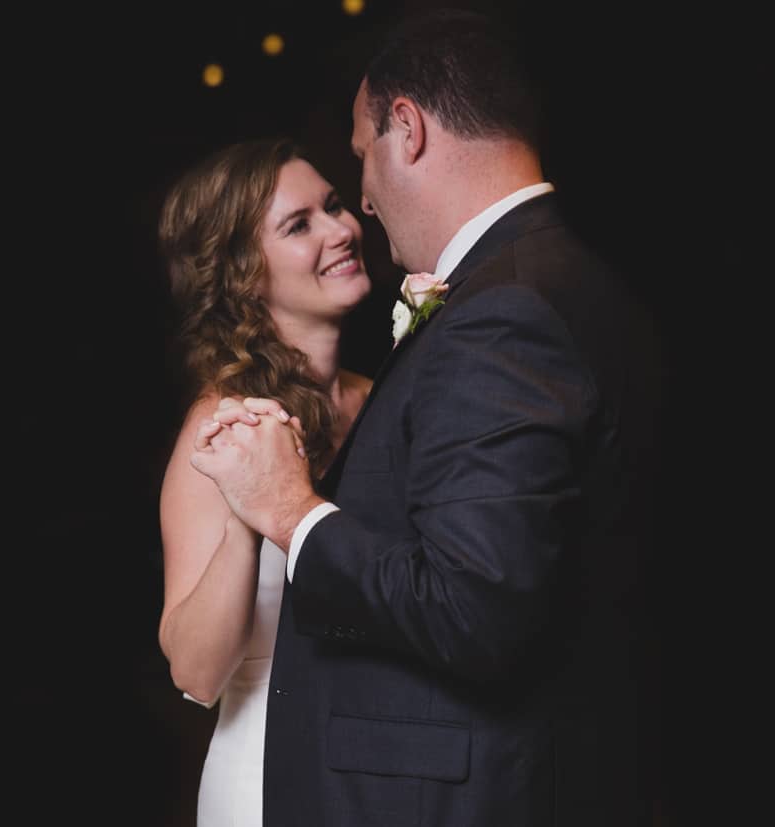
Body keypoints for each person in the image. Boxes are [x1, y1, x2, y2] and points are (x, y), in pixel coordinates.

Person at [191, 9, 665, 826]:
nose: (363, 205)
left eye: (360, 159)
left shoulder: (503, 311)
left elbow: (473, 607)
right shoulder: (579, 284)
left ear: (406, 129)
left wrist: (293, 512)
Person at [155, 137, 373, 827]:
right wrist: (250, 511)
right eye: (299, 224)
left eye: (334, 205)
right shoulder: (218, 429)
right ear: (246, 275)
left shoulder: (392, 399)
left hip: (389, 771)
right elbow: (195, 674)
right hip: (268, 779)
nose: (342, 230)